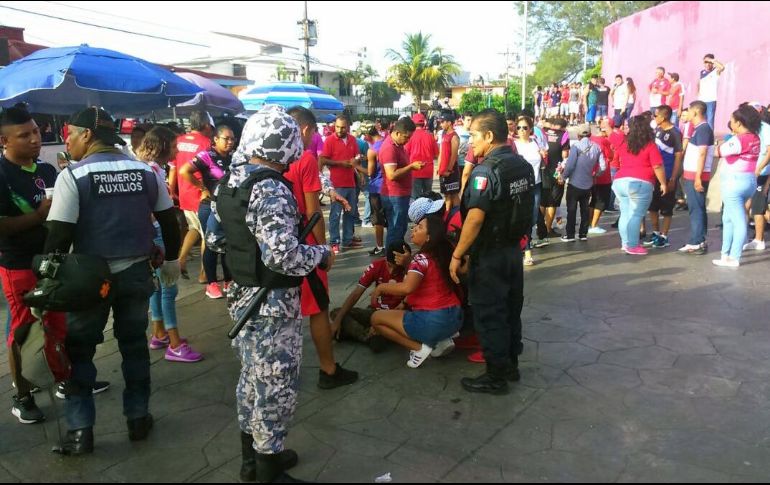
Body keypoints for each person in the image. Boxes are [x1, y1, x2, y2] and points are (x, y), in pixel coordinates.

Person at [45, 107, 182, 454]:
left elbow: (58, 237)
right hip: (136, 273)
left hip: (87, 280)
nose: (68, 143)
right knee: (134, 345)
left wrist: (47, 284)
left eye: (70, 135)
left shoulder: (73, 176)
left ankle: (80, 432)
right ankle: (137, 418)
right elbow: (169, 220)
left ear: (87, 135)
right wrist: (170, 262)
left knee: (80, 352)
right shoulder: (145, 172)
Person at [210, 105, 333, 483]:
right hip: (272, 304)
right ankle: (268, 470)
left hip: (243, 296)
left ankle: (254, 461)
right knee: (275, 385)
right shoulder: (270, 188)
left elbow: (216, 239)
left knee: (251, 379)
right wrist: (321, 254)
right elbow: (284, 256)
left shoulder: (231, 181)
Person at [450, 109, 535, 395]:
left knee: (490, 314)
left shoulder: (486, 171)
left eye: (473, 135)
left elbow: (474, 219)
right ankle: (510, 365)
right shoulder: (522, 166)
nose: (470, 142)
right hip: (513, 251)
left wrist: (457, 254)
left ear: (488, 136)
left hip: (490, 255)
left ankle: (495, 375)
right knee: (511, 310)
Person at [0, 107, 66, 424]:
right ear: (4, 140)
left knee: (56, 325)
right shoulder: (1, 175)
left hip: (52, 262)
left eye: (37, 131)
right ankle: (22, 395)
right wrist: (39, 216)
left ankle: (60, 378)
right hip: (18, 265)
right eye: (24, 135)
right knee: (24, 331)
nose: (35, 139)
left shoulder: (48, 171)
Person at [286, 106, 358, 389]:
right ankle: (328, 369)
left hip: (276, 245)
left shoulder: (262, 160)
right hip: (305, 244)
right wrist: (324, 250)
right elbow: (314, 213)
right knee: (318, 308)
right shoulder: (304, 160)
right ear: (305, 130)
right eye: (313, 131)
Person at [136, 126, 203, 363]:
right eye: (174, 146)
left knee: (157, 287)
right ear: (162, 147)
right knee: (168, 287)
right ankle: (174, 343)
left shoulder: (142, 167)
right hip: (157, 234)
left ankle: (159, 332)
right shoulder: (152, 172)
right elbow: (158, 213)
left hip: (147, 235)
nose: (177, 150)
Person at [371, 214, 462, 368]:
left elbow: (407, 288)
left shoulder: (421, 259)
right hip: (455, 318)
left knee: (376, 319)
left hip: (433, 320)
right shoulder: (444, 255)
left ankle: (419, 349)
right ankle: (441, 338)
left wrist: (381, 287)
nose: (413, 229)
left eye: (419, 227)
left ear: (428, 238)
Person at [178, 125, 235, 299]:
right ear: (216, 139)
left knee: (229, 244)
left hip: (228, 207)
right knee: (211, 244)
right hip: (209, 206)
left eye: (233, 139)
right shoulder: (207, 156)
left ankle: (229, 281)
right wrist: (201, 187)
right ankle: (211, 284)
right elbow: (184, 171)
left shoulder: (234, 157)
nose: (230, 142)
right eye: (226, 138)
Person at [331, 241, 409, 352]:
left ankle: (362, 333)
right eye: (389, 266)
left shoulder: (412, 271)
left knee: (377, 345)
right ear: (386, 259)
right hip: (375, 312)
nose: (391, 271)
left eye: (396, 268)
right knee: (336, 313)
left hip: (396, 316)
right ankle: (368, 334)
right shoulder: (376, 266)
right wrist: (337, 321)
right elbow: (356, 294)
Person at [712, 104, 761, 268]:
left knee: (738, 221)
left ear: (739, 123)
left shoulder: (740, 139)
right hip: (749, 181)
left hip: (735, 183)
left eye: (732, 121)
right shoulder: (755, 137)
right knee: (728, 218)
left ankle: (734, 257)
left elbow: (718, 152)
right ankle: (725, 255)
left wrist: (717, 145)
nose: (731, 123)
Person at [612, 116, 667, 255]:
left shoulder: (623, 142)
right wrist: (663, 183)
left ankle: (625, 243)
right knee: (636, 215)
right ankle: (633, 245)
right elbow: (657, 166)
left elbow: (610, 134)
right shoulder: (650, 145)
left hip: (620, 181)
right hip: (640, 182)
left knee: (625, 214)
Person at [170, 111, 213, 281]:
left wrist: (171, 190)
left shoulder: (178, 141)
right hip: (200, 194)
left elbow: (173, 167)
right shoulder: (206, 143)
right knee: (207, 235)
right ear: (207, 126)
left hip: (184, 194)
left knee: (194, 228)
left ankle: (181, 260)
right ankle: (205, 273)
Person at [320, 115, 361, 254]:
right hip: (336, 184)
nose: (339, 130)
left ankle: (348, 239)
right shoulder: (330, 140)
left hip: (350, 182)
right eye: (337, 127)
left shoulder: (352, 140)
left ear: (348, 127)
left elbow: (356, 157)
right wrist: (340, 163)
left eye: (342, 127)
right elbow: (324, 159)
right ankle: (334, 242)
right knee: (335, 214)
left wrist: (357, 163)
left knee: (350, 213)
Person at [643, 105, 683, 249]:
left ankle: (664, 236)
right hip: (654, 176)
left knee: (666, 208)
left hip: (667, 175)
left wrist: (673, 178)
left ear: (664, 116)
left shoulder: (675, 133)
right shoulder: (657, 130)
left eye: (656, 115)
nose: (654, 118)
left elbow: (678, 157)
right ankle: (655, 232)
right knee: (652, 207)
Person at [678, 101, 715, 255]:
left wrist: (698, 177)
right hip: (692, 175)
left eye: (689, 111)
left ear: (695, 112)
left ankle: (696, 241)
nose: (687, 114)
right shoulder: (698, 129)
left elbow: (702, 153)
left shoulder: (703, 129)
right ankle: (699, 239)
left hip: (696, 176)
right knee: (697, 208)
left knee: (696, 209)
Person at [562, 127, 604, 242]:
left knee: (571, 210)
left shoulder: (576, 146)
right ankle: (583, 234)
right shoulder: (596, 147)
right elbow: (603, 166)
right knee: (584, 210)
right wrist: (595, 174)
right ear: (590, 134)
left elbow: (570, 166)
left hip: (574, 183)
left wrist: (563, 176)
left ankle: (570, 235)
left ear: (578, 135)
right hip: (588, 184)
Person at [381, 117, 418, 248]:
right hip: (394, 195)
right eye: (406, 137)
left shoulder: (399, 145)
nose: (407, 141)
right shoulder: (389, 148)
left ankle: (395, 257)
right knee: (395, 230)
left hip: (401, 194)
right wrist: (411, 167)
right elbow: (391, 174)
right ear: (397, 133)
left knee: (400, 228)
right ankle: (391, 260)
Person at [512, 116, 542, 265]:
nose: (522, 131)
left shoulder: (535, 143)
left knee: (533, 217)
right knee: (523, 217)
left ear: (531, 129)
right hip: (521, 186)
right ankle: (527, 249)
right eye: (519, 128)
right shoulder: (514, 145)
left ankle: (523, 243)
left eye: (525, 127)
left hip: (536, 184)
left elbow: (543, 161)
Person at [744, 103, 770, 251]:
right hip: (750, 172)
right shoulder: (752, 128)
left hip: (761, 173)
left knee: (758, 207)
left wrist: (759, 168)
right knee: (746, 205)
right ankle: (746, 236)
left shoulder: (765, 128)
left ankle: (759, 239)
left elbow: (769, 151)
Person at [588, 119, 615, 234]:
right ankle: (593, 225)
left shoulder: (590, 138)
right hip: (603, 176)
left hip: (590, 174)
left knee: (593, 200)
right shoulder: (605, 141)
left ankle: (589, 223)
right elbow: (611, 156)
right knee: (600, 201)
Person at [406, 112, 438, 200]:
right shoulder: (430, 136)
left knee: (416, 197)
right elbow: (436, 154)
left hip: (414, 170)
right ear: (424, 123)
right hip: (428, 170)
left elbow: (406, 153)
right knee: (428, 197)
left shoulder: (410, 136)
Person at [365, 126, 387, 256]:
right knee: (390, 216)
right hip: (389, 187)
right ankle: (391, 244)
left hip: (376, 188)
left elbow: (369, 172)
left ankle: (380, 246)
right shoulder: (387, 143)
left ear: (368, 135)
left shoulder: (372, 150)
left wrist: (356, 165)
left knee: (378, 219)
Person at [437, 110, 461, 211]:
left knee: (453, 195)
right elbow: (441, 153)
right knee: (447, 195)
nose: (441, 124)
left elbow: (454, 155)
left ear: (449, 123)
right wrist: (439, 167)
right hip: (443, 170)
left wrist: (449, 170)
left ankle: (455, 217)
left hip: (451, 171)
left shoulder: (454, 136)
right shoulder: (443, 135)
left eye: (443, 122)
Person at [698, 53, 726, 130]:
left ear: (712, 63)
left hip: (711, 100)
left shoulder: (716, 71)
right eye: (705, 62)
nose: (707, 64)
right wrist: (698, 95)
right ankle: (703, 136)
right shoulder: (702, 72)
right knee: (702, 120)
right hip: (701, 100)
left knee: (710, 120)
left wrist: (712, 60)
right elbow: (699, 83)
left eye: (709, 62)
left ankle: (710, 138)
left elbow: (722, 67)